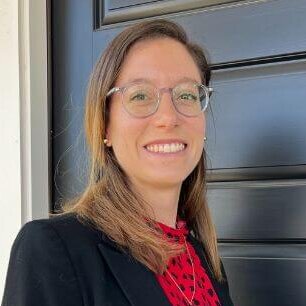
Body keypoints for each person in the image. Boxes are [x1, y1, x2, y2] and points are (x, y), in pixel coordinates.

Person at [1, 19, 234, 306]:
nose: (168, 117)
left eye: (186, 94)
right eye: (140, 96)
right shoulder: (54, 249)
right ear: (105, 127)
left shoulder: (205, 260)